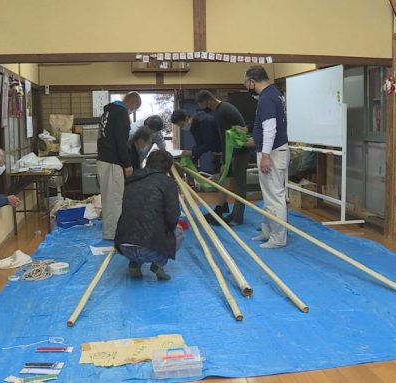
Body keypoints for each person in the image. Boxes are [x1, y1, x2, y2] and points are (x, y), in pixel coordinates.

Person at [115, 150, 184, 281]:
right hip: (149, 248)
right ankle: (158, 264)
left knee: (137, 227)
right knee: (179, 233)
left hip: (123, 246)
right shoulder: (168, 183)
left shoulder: (131, 179)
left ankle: (134, 264)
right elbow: (172, 218)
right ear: (168, 168)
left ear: (147, 163)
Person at [245, 65, 289, 248]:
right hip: (274, 150)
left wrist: (265, 156)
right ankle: (267, 231)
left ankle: (278, 238)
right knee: (269, 195)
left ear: (252, 81)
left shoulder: (267, 99)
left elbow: (270, 129)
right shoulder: (273, 94)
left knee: (274, 196)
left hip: (273, 152)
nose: (247, 86)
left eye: (246, 82)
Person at [196, 90, 251, 226]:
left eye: (202, 105)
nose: (203, 108)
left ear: (207, 101)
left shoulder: (221, 112)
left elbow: (225, 138)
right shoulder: (224, 108)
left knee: (239, 185)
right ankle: (231, 212)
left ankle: (237, 217)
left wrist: (224, 162)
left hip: (240, 150)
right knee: (231, 182)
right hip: (236, 149)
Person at [97, 91, 142, 240]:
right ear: (133, 104)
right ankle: (113, 234)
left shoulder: (108, 112)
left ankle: (111, 231)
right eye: (135, 108)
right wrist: (127, 164)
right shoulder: (121, 113)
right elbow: (121, 142)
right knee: (115, 199)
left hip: (103, 159)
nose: (133, 111)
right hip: (113, 161)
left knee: (108, 197)